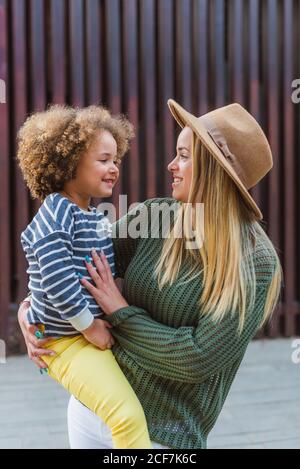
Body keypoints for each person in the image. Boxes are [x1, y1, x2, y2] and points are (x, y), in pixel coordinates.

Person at [18, 99, 282, 449]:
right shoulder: (156, 217)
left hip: (162, 436)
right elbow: (70, 260)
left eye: (184, 155)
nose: (171, 165)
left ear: (215, 169)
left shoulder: (255, 261)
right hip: (93, 409)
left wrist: (121, 314)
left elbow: (197, 358)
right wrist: (31, 312)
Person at [17, 104, 153, 449]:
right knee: (126, 417)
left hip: (77, 336)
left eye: (115, 159)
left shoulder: (90, 214)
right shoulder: (57, 213)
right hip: (63, 341)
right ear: (69, 163)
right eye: (103, 160)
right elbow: (58, 281)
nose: (114, 168)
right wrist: (89, 326)